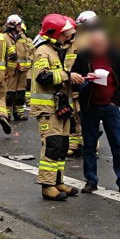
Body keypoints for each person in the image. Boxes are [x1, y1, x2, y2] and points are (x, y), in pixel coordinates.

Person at [70, 29, 120, 194]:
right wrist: (84, 78)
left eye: (100, 44)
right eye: (94, 44)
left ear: (106, 43)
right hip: (90, 106)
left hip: (110, 106)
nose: (97, 47)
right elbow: (74, 77)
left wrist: (115, 101)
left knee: (118, 145)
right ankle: (91, 180)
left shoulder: (114, 56)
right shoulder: (84, 56)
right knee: (89, 145)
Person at [32, 14, 86, 201]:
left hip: (60, 107)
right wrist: (66, 75)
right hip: (47, 110)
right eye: (64, 34)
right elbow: (43, 76)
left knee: (62, 146)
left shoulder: (56, 50)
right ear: (54, 34)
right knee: (52, 146)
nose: (67, 37)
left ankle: (58, 181)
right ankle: (47, 186)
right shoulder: (43, 51)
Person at [64, 11, 99, 157]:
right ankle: (75, 143)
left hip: (85, 83)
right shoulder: (75, 39)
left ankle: (89, 144)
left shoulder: (93, 40)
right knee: (74, 115)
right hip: (73, 82)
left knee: (85, 115)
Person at [3, 15, 31, 121]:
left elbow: (30, 51)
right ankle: (7, 114)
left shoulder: (23, 37)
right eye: (18, 24)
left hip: (22, 70)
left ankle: (19, 113)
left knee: (20, 93)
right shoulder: (4, 37)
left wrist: (28, 64)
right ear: (12, 25)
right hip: (10, 70)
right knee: (9, 93)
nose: (20, 26)